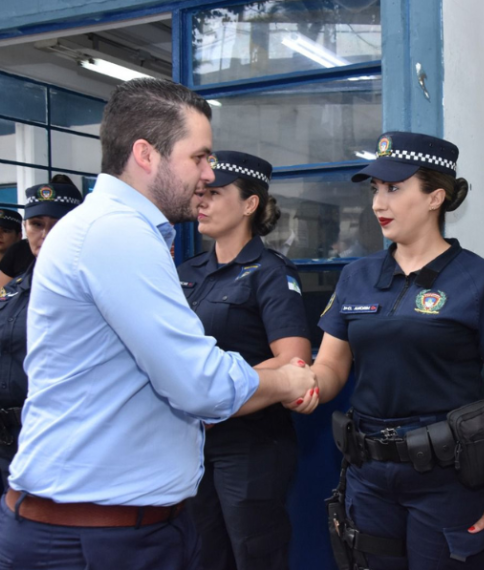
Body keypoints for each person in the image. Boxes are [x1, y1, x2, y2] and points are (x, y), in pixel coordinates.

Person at [0, 78, 317, 570]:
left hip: (116, 524)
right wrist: (288, 378)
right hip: (92, 537)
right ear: (146, 154)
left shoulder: (123, 231)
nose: (206, 175)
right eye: (198, 158)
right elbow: (198, 383)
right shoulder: (116, 233)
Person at [307, 132, 484, 569]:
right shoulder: (356, 276)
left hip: (449, 480)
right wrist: (297, 384)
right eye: (376, 190)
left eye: (394, 189)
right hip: (369, 477)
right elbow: (331, 368)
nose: (379, 204)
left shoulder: (481, 280)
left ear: (435, 197)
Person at [178, 150, 311, 570]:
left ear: (250, 204)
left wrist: (220, 393)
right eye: (200, 193)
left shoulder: (270, 272)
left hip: (251, 445)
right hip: (190, 442)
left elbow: (293, 360)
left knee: (255, 555)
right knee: (201, 555)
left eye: (214, 193)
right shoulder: (187, 271)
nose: (201, 202)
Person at [0, 183, 82, 484]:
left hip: (65, 438)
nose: (46, 234)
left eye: (58, 224)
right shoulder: (10, 292)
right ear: (25, 229)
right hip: (8, 440)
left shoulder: (90, 288)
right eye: (37, 224)